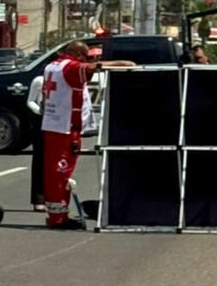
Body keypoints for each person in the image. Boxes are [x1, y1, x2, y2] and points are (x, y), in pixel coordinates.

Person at [41, 40, 135, 229]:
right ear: (77, 54)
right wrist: (121, 64)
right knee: (60, 174)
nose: (88, 60)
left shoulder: (53, 66)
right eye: (86, 56)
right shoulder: (70, 68)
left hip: (55, 124)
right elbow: (91, 68)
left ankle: (58, 214)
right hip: (64, 127)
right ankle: (57, 218)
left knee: (56, 173)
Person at [26, 73, 45, 211]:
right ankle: (39, 198)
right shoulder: (40, 80)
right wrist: (40, 111)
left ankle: (56, 198)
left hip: (61, 121)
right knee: (40, 158)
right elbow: (31, 101)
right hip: (43, 120)